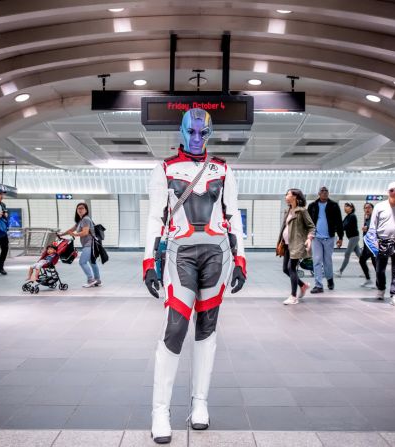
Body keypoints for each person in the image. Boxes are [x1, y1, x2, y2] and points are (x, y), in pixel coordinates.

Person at [142, 108, 246, 444]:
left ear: (210, 133)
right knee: (174, 328)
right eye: (191, 132)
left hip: (216, 255)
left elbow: (233, 216)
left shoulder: (224, 169)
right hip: (179, 255)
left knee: (207, 327)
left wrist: (241, 258)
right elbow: (155, 219)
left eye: (203, 133)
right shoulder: (165, 169)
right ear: (182, 132)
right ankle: (160, 410)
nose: (197, 139)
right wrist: (148, 261)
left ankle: (199, 403)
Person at [369, 182, 395, 307]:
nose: (394, 192)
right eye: (392, 190)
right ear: (388, 192)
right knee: (380, 269)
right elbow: (373, 225)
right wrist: (374, 241)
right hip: (382, 242)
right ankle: (381, 288)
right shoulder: (379, 207)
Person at [277, 189, 315, 305]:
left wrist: (309, 238)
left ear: (295, 197)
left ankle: (293, 297)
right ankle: (302, 285)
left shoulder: (302, 211)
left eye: (288, 194)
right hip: (287, 244)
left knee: (291, 268)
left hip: (297, 244)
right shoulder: (289, 210)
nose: (286, 196)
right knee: (285, 269)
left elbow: (311, 226)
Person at [306, 186, 343, 293]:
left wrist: (340, 237)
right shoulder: (312, 206)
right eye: (322, 191)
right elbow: (308, 222)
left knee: (327, 261)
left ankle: (330, 279)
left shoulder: (334, 205)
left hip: (329, 237)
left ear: (328, 193)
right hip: (316, 238)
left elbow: (339, 222)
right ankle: (318, 285)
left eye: (326, 191)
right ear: (318, 193)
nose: (324, 192)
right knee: (317, 261)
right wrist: (308, 236)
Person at [61, 202, 101, 287]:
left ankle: (90, 280)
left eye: (82, 208)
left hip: (89, 244)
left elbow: (85, 232)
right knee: (92, 263)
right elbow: (70, 230)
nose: (80, 210)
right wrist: (61, 234)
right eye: (78, 208)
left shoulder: (86, 219)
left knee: (82, 262)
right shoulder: (80, 221)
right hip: (89, 244)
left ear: (86, 210)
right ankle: (97, 280)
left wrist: (74, 235)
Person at [336, 203, 362, 277]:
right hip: (352, 238)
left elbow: (345, 226)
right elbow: (341, 225)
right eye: (344, 207)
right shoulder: (347, 217)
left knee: (347, 254)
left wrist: (338, 228)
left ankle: (340, 271)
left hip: (354, 237)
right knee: (359, 255)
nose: (345, 208)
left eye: (347, 206)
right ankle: (366, 271)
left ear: (351, 208)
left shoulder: (352, 216)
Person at [359, 203, 377, 287]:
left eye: (369, 207)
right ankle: (368, 279)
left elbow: (377, 228)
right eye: (365, 208)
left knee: (375, 263)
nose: (367, 209)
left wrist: (368, 228)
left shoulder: (375, 218)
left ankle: (379, 282)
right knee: (362, 260)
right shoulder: (366, 218)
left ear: (373, 209)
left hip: (373, 245)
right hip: (367, 245)